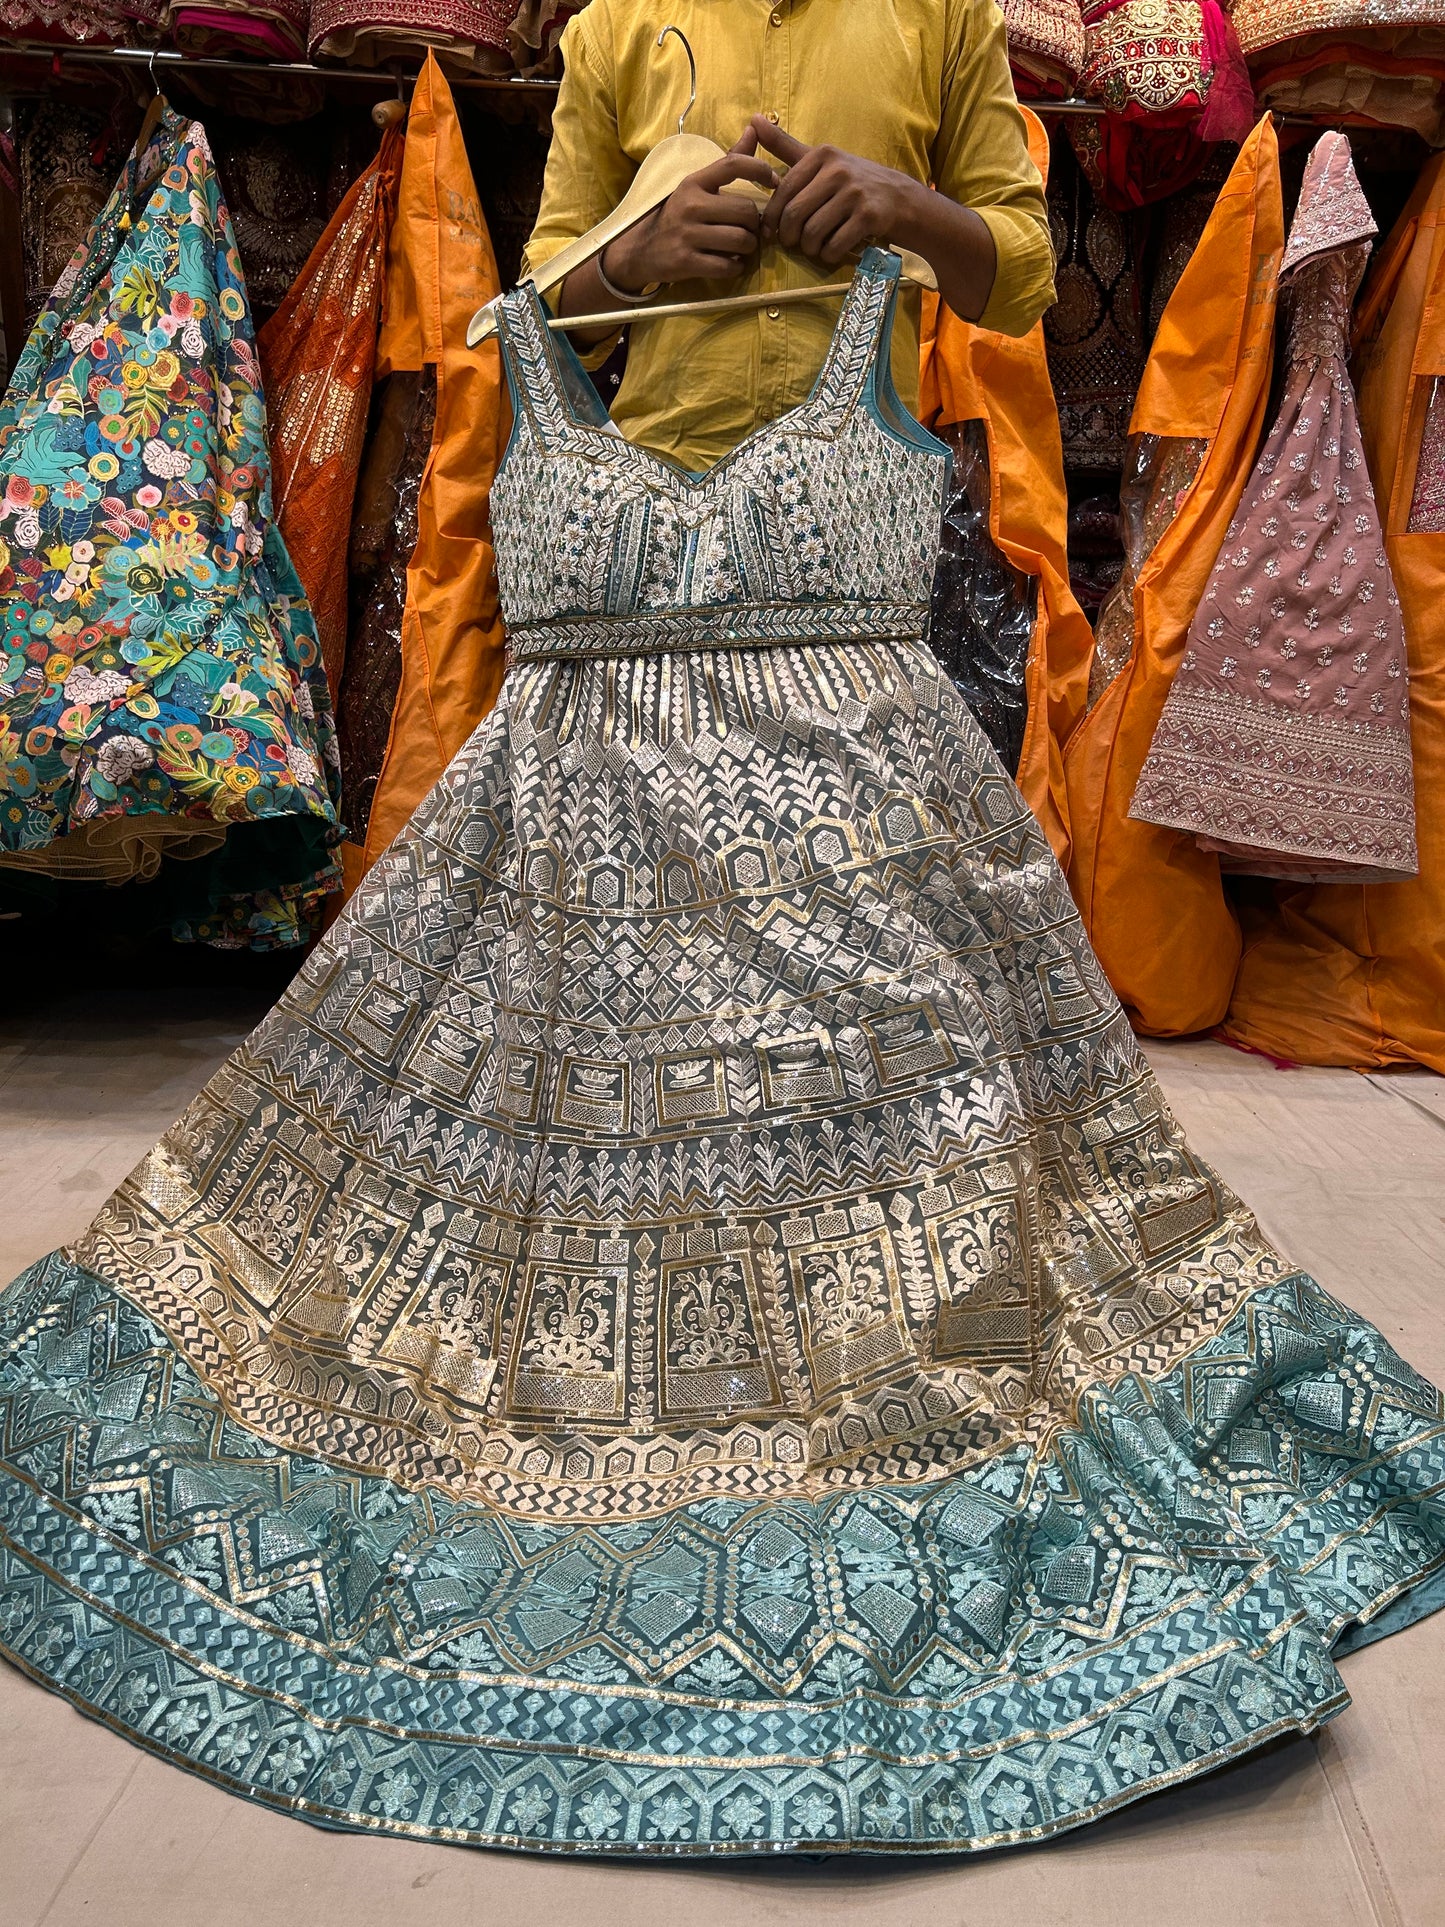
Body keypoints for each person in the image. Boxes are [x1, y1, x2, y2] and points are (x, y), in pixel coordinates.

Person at [525, 0, 1056, 470]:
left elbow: (1022, 282)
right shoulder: (616, 21)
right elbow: (537, 321)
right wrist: (633, 257)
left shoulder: (946, 12)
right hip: (667, 506)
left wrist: (905, 204)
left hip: (862, 505)